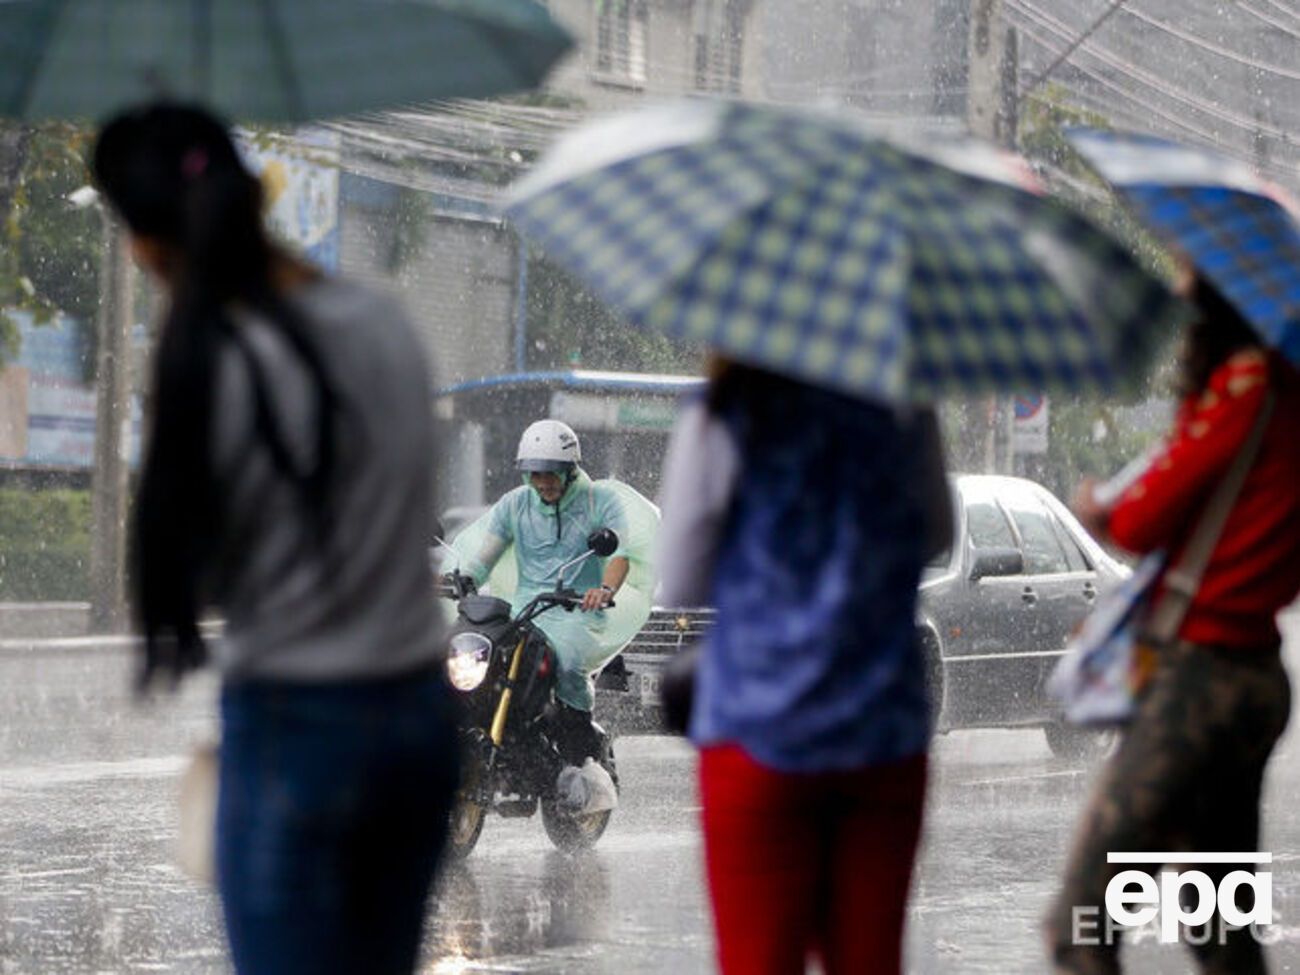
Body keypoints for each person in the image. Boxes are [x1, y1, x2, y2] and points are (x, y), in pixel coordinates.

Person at [93, 103, 458, 975]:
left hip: (296, 723)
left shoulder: (212, 364)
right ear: (255, 196)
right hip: (417, 718)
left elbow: (199, 571)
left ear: (146, 249)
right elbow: (415, 504)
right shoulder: (383, 321)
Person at [655, 358, 952, 975]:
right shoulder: (904, 409)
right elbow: (935, 536)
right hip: (881, 727)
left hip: (758, 727)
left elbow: (682, 577)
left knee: (759, 960)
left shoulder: (723, 414)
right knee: (869, 961)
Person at [1047, 274, 1300, 975]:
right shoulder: (1286, 396)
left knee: (1082, 921)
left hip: (1198, 685)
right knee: (1220, 925)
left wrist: (1098, 507)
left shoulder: (1245, 391)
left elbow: (1139, 519)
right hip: (1253, 676)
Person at [461, 419, 631, 765]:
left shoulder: (600, 502)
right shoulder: (514, 504)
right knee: (475, 658)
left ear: (570, 470)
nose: (543, 482)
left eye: (552, 473)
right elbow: (484, 558)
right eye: (536, 474)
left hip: (577, 610)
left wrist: (604, 589)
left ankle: (581, 755)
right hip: (525, 612)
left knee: (566, 664)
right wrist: (461, 579)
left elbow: (620, 556)